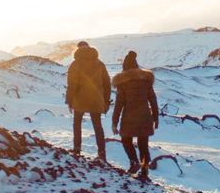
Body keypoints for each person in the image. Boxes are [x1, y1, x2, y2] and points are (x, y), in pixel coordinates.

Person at [111, 51, 159, 180]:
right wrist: (155, 118)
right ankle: (144, 169)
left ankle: (133, 161)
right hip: (145, 116)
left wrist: (114, 123)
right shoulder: (145, 81)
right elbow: (153, 100)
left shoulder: (123, 83)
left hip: (129, 117)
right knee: (143, 143)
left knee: (126, 139)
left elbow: (119, 105)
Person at [66, 41, 111, 160]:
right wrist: (106, 101)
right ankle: (102, 153)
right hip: (96, 99)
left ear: (77, 50)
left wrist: (69, 101)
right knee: (97, 125)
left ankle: (77, 149)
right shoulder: (99, 63)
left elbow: (72, 84)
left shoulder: (75, 64)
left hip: (80, 99)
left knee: (77, 123)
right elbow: (107, 84)